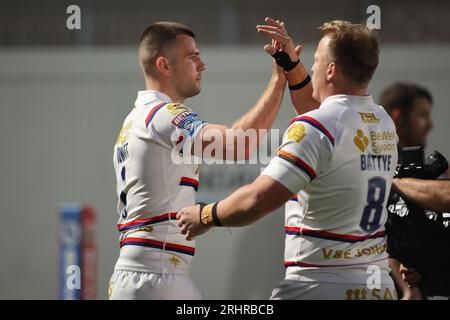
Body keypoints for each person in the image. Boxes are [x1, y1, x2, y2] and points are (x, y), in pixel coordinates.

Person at [177, 19, 399, 299]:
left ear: (331, 70)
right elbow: (327, 115)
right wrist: (292, 67)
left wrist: (205, 216)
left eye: (316, 60)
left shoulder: (316, 128)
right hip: (378, 287)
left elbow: (257, 200)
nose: (313, 66)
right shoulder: (382, 121)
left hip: (319, 285)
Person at [108, 21, 293, 299]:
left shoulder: (136, 117)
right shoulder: (164, 114)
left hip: (139, 273)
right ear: (164, 66)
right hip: (158, 276)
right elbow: (238, 144)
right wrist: (279, 80)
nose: (202, 65)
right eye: (193, 57)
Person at [380, 82, 450, 299]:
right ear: (399, 117)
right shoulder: (376, 170)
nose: (429, 124)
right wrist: (409, 289)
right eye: (423, 116)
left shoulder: (430, 173)